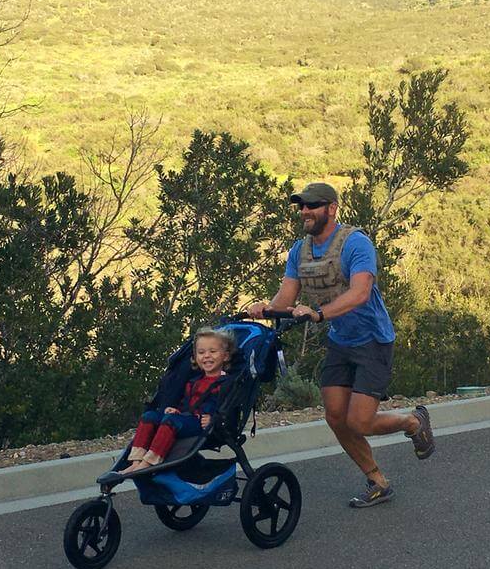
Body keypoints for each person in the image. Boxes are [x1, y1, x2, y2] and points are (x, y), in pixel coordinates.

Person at [247, 181, 435, 507]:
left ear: (331, 208)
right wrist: (265, 309)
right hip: (341, 341)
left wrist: (319, 314)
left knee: (359, 422)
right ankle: (377, 480)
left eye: (312, 205)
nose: (305, 211)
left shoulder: (355, 243)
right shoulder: (299, 251)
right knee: (335, 417)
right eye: (302, 206)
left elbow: (360, 293)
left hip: (373, 340)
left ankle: (413, 422)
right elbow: (286, 297)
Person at [121, 327, 236, 474]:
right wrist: (178, 410)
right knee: (149, 416)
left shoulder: (226, 383)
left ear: (225, 356)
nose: (207, 356)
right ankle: (136, 461)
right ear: (195, 357)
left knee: (171, 421)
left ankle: (149, 462)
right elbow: (187, 403)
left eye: (212, 352)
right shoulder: (193, 381)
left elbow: (227, 408)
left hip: (202, 424)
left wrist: (214, 419)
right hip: (187, 418)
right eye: (201, 353)